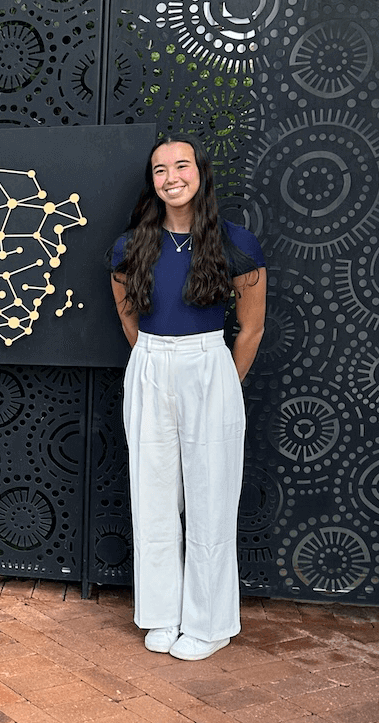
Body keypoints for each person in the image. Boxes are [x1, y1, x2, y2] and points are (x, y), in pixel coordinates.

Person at [109, 133, 266, 661]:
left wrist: (222, 383)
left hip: (210, 364)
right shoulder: (130, 246)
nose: (171, 177)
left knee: (211, 499)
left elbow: (251, 329)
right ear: (151, 182)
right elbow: (128, 316)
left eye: (181, 166)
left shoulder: (236, 243)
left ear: (200, 173)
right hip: (150, 363)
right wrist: (154, 360)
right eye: (160, 169)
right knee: (151, 496)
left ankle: (210, 623)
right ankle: (161, 614)